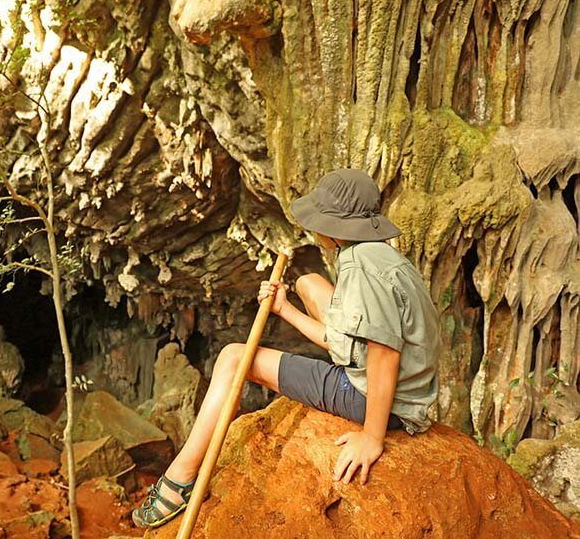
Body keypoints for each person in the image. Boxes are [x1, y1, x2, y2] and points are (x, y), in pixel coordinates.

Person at [132, 168, 441, 529]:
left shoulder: (361, 269)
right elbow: (345, 338)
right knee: (309, 283)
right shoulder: (378, 256)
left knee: (234, 358)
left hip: (372, 398)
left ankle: (179, 480)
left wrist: (372, 437)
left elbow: (383, 351)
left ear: (334, 224)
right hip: (408, 390)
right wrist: (284, 309)